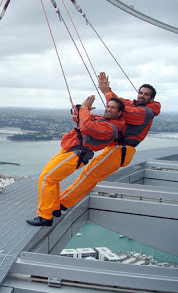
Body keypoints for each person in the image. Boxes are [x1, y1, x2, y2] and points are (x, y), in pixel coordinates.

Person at [59, 72, 161, 211]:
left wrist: (106, 92)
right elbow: (120, 102)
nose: (142, 95)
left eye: (146, 94)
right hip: (117, 149)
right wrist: (106, 91)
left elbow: (123, 111)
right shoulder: (135, 106)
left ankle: (61, 204)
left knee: (90, 175)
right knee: (90, 174)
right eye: (140, 92)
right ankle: (63, 202)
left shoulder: (146, 113)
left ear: (151, 98)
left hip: (120, 150)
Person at [26, 94, 125, 226]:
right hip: (70, 150)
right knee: (53, 178)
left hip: (76, 153)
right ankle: (55, 209)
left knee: (46, 178)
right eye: (107, 106)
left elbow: (86, 127)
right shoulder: (102, 120)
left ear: (119, 113)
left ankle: (44, 216)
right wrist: (82, 108)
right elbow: (78, 120)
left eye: (113, 108)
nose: (108, 109)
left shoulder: (110, 128)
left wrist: (85, 109)